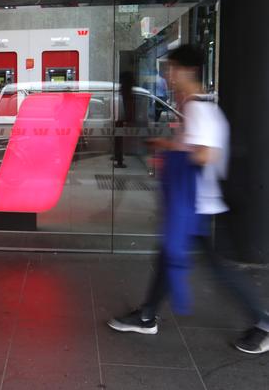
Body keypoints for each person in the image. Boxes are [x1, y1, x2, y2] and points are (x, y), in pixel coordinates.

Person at [107, 45, 269, 355]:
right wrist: (168, 144)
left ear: (187, 71)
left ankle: (262, 322)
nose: (167, 76)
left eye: (171, 69)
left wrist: (171, 151)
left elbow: (206, 155)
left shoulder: (198, 110)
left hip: (198, 206)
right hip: (196, 205)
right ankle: (146, 315)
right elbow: (197, 148)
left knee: (210, 266)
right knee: (170, 257)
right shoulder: (198, 107)